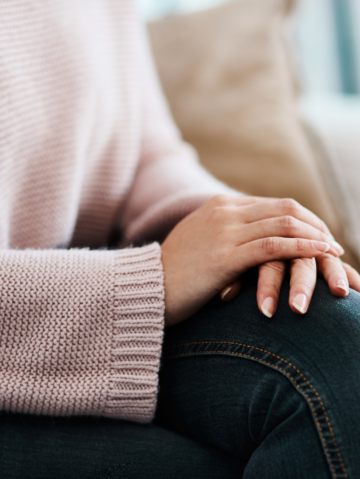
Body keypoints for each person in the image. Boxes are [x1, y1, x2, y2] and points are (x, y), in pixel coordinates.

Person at [0, 1, 360, 478]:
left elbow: (144, 153)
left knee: (343, 348)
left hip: (77, 305)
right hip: (50, 319)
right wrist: (153, 280)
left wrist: (242, 230)